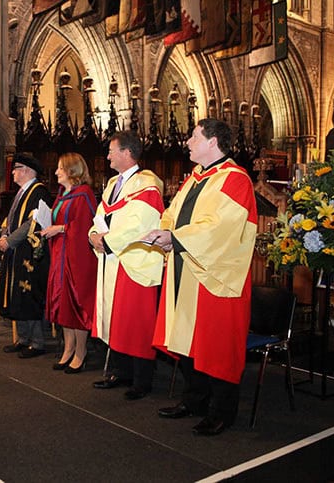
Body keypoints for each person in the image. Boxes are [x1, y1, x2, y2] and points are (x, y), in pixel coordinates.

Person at [145, 118, 257, 436]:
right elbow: (173, 212)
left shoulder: (236, 179)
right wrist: (164, 230)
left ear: (213, 142)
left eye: (195, 137)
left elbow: (222, 226)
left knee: (217, 344)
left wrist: (175, 238)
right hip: (188, 268)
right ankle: (194, 399)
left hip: (217, 274)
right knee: (189, 341)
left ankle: (221, 411)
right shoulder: (196, 177)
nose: (188, 142)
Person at [88, 131, 165, 400]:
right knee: (116, 319)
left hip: (134, 260)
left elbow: (141, 222)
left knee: (136, 321)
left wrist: (108, 241)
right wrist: (94, 236)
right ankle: (120, 372)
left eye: (111, 151)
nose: (107, 156)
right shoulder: (112, 184)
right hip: (113, 258)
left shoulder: (147, 184)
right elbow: (100, 215)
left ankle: (142, 380)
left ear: (127, 153)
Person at [40, 153, 97, 373]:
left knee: (76, 303)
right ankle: (68, 348)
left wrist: (60, 229)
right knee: (63, 303)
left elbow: (84, 227)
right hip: (60, 254)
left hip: (77, 257)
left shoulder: (83, 194)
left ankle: (80, 351)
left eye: (60, 169)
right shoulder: (63, 194)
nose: (56, 172)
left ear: (72, 170)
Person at [0, 153, 52, 358]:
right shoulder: (21, 192)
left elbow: (33, 223)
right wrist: (4, 235)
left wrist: (10, 241)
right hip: (16, 251)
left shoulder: (39, 192)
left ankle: (37, 342)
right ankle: (22, 338)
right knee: (17, 296)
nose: (12, 172)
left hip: (30, 253)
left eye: (15, 168)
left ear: (27, 170)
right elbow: (9, 220)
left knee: (29, 295)